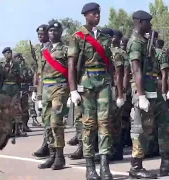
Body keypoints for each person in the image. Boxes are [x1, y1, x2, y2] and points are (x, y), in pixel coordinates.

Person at [127, 10, 169, 179]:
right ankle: (135, 166)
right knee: (143, 129)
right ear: (139, 22)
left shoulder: (145, 41)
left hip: (154, 88)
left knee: (165, 123)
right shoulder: (136, 42)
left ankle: (166, 163)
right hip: (144, 89)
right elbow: (136, 69)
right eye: (148, 22)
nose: (150, 25)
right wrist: (141, 94)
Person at [68, 2, 116, 179]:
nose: (97, 16)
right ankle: (90, 167)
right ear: (86, 15)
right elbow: (72, 65)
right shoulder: (78, 36)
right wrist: (72, 90)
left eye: (98, 14)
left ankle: (104, 166)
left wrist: (115, 85)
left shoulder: (104, 37)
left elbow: (109, 62)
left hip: (103, 82)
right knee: (88, 125)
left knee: (105, 123)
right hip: (86, 83)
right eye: (94, 14)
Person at [37, 20, 68, 170]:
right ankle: (51, 155)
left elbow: (72, 71)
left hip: (60, 87)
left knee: (56, 122)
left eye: (56, 31)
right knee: (47, 124)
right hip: (46, 90)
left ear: (61, 32)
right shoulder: (43, 51)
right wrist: (37, 95)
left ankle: (60, 156)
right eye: (50, 31)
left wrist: (73, 91)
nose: (53, 33)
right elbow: (40, 75)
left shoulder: (66, 49)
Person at [31, 24, 51, 158]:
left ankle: (48, 146)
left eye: (42, 34)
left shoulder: (51, 48)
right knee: (45, 116)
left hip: (51, 86)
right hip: (42, 86)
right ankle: (47, 145)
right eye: (38, 34)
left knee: (50, 118)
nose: (40, 37)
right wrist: (35, 90)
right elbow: (37, 72)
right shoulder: (40, 49)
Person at [109, 29, 127, 161]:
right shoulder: (106, 51)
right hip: (108, 88)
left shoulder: (118, 53)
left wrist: (121, 92)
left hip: (116, 88)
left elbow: (122, 74)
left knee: (116, 121)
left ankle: (117, 150)